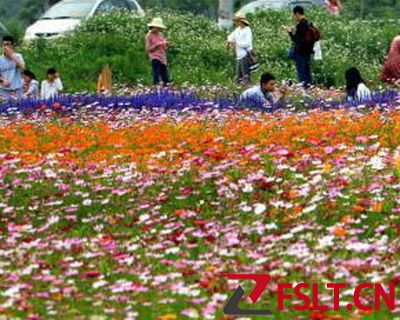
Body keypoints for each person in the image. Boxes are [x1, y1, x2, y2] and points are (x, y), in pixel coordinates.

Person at [285, 6, 315, 88]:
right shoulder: (309, 23)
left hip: (300, 52)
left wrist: (290, 32)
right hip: (308, 51)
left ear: (297, 14)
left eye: (294, 15)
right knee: (307, 72)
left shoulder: (301, 25)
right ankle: (310, 87)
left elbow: (296, 40)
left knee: (301, 73)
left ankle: (304, 89)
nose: (294, 17)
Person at [227, 12, 253, 85]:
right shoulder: (237, 30)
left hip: (245, 55)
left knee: (246, 77)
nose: (235, 22)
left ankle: (248, 91)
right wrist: (230, 41)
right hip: (239, 56)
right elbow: (230, 37)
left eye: (237, 21)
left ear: (241, 21)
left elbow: (247, 44)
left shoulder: (247, 30)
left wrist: (236, 43)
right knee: (238, 78)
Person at [146, 18, 171, 87]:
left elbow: (164, 47)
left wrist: (166, 45)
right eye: (157, 28)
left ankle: (166, 88)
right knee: (156, 73)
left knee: (165, 74)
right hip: (154, 57)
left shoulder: (161, 35)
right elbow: (148, 49)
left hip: (162, 57)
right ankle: (155, 86)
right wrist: (157, 45)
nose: (159, 29)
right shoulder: (149, 36)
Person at [0, 35, 25, 101]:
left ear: (12, 45)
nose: (6, 47)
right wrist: (2, 80)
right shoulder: (0, 59)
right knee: (4, 110)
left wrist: (12, 56)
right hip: (4, 91)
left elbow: (22, 68)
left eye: (8, 44)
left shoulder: (18, 56)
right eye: (4, 44)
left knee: (19, 109)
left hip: (17, 90)